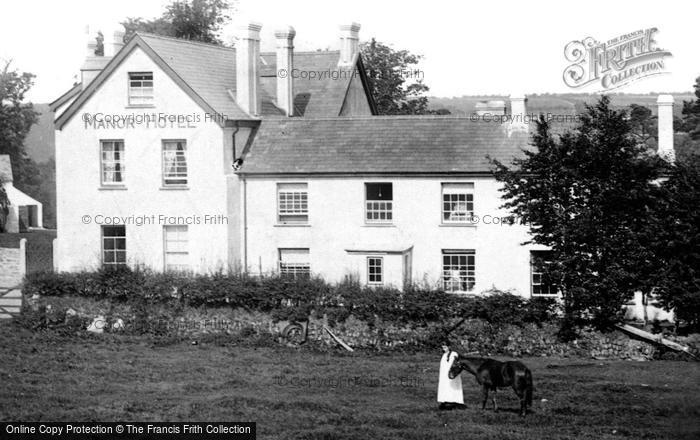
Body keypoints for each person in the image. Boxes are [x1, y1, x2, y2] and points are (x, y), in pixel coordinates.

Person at [437, 340, 464, 410]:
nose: (444, 349)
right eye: (443, 348)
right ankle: (445, 400)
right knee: (445, 387)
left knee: (452, 387)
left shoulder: (454, 354)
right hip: (444, 376)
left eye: (445, 347)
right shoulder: (444, 355)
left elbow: (457, 365)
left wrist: (453, 374)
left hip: (452, 375)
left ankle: (452, 402)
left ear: (449, 347)